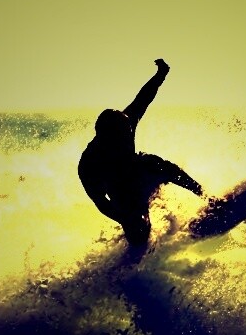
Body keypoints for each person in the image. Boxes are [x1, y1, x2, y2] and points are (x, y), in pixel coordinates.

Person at [78, 58, 204, 246]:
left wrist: (160, 75)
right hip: (120, 191)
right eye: (122, 136)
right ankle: (136, 245)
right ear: (106, 137)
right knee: (138, 231)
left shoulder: (126, 121)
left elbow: (144, 97)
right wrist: (124, 219)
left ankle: (205, 197)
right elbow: (101, 202)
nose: (127, 137)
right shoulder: (89, 163)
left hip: (140, 171)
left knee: (154, 163)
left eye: (128, 131)